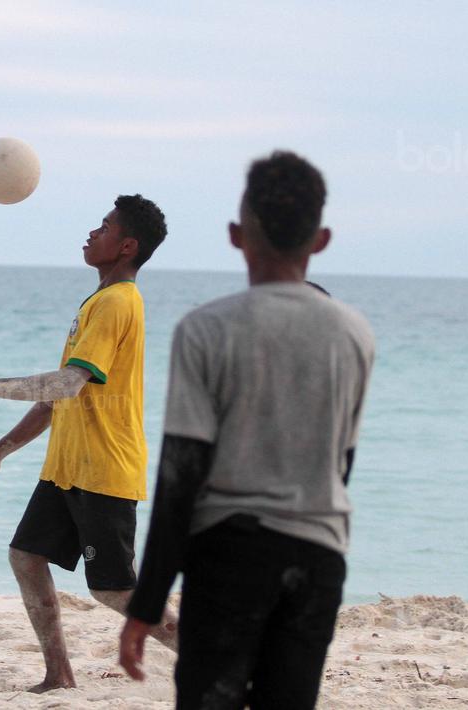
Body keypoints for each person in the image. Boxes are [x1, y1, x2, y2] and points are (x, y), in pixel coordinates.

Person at [118, 151, 375, 709]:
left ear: (237, 235)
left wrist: (146, 604)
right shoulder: (354, 334)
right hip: (318, 558)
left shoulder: (206, 329)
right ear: (322, 239)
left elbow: (181, 473)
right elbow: (342, 466)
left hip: (229, 556)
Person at [0, 194, 178, 693]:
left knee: (113, 590)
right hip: (67, 468)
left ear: (127, 245)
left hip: (104, 469)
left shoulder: (117, 303)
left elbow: (66, 384)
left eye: (106, 227)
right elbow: (57, 401)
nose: (94, 232)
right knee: (26, 557)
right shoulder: (97, 302)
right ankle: (59, 674)